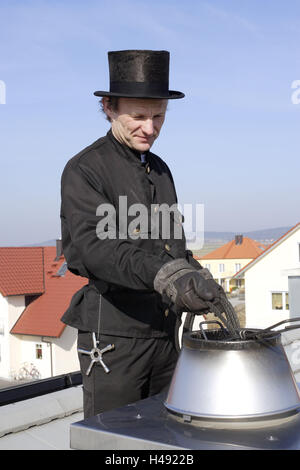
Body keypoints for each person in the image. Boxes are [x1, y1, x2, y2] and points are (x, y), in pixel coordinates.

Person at [60, 50, 221, 419]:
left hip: (166, 338)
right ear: (109, 108)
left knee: (170, 435)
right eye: (138, 116)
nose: (150, 128)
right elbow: (95, 251)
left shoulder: (161, 170)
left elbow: (172, 246)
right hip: (116, 343)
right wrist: (167, 276)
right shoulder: (84, 169)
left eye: (159, 116)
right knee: (113, 442)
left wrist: (197, 277)